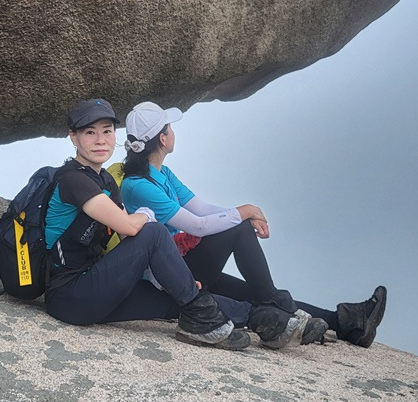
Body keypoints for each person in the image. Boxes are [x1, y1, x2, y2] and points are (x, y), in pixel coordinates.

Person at [118, 101, 387, 348]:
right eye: (169, 127)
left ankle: (349, 323)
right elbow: (197, 226)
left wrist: (248, 213)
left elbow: (202, 209)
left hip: (185, 263)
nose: (173, 132)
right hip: (168, 276)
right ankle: (276, 299)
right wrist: (244, 213)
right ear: (163, 138)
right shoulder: (138, 185)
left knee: (251, 291)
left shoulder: (162, 174)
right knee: (240, 230)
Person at [41, 99, 264, 350]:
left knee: (175, 298)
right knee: (154, 231)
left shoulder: (106, 181)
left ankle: (262, 317)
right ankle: (203, 321)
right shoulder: (73, 180)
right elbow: (129, 227)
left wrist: (171, 279)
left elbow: (130, 243)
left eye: (107, 131)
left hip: (96, 285)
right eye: (90, 133)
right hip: (70, 295)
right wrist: (146, 214)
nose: (100, 140)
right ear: (73, 137)